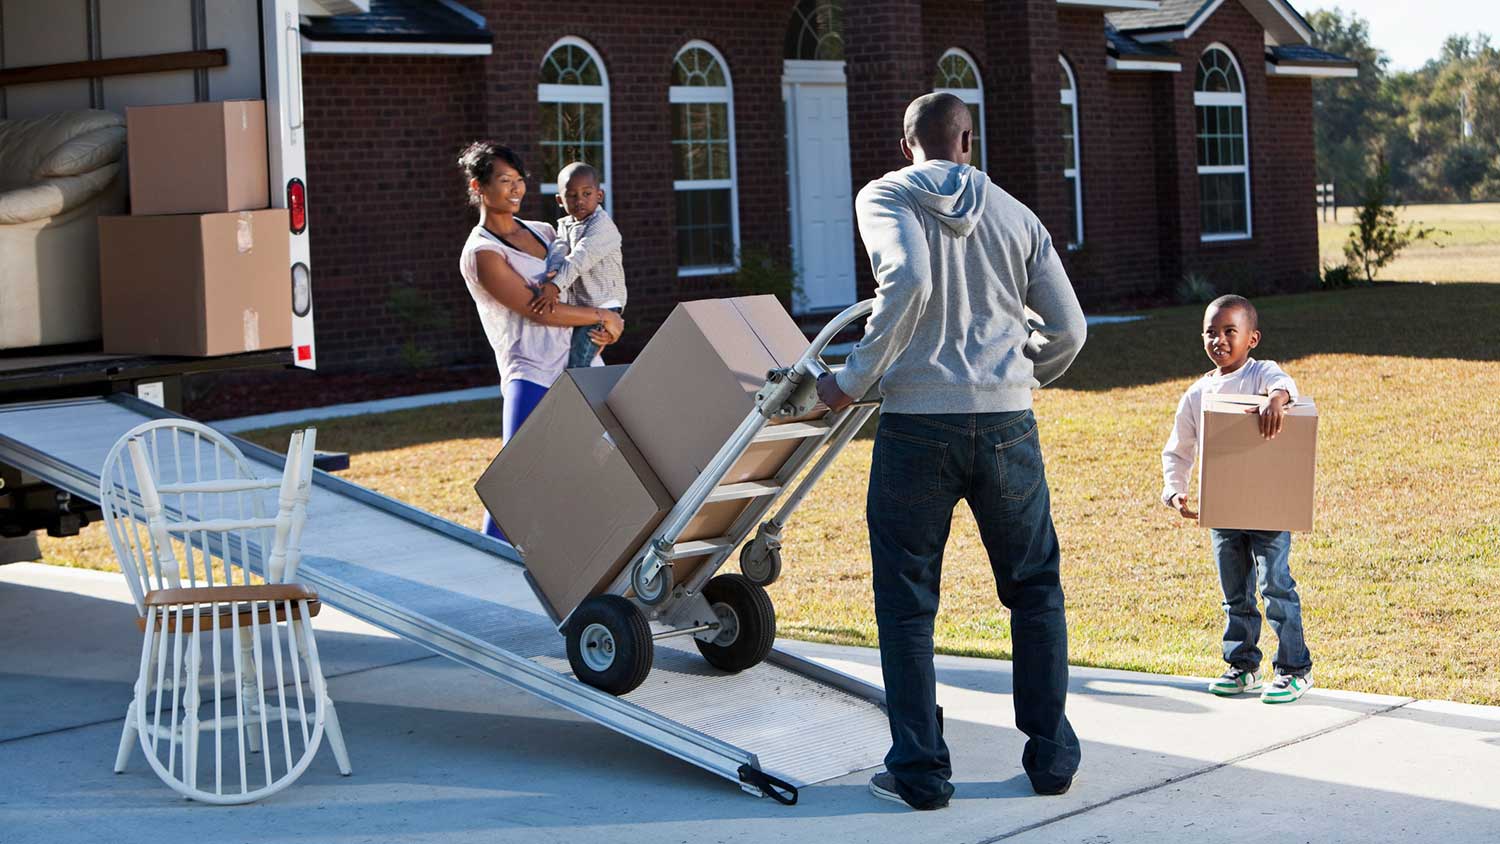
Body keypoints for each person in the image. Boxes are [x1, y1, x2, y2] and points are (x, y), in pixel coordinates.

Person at [816, 93, 1088, 810]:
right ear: (966, 138)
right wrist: (1021, 373)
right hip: (1008, 427)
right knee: (1033, 591)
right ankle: (1052, 759)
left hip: (917, 429)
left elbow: (906, 281)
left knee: (907, 605)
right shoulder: (1018, 216)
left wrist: (850, 381)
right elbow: (1070, 331)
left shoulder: (885, 196)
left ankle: (920, 773)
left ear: (908, 145)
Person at [457, 141, 625, 540]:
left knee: (603, 467)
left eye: (519, 182)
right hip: (530, 372)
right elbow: (538, 309)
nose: (515, 190)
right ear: (479, 187)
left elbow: (583, 283)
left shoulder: (547, 230)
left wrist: (611, 322)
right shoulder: (482, 253)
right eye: (504, 182)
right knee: (514, 480)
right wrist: (603, 316)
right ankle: (491, 565)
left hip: (579, 362)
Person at [1160, 294, 1314, 704]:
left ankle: (1295, 669)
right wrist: (1175, 491)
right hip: (1224, 511)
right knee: (1236, 594)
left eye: (1231, 331)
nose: (1220, 340)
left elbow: (1285, 385)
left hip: (1267, 507)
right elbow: (1179, 448)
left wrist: (1275, 400)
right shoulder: (1197, 394)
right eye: (1212, 332)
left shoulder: (1261, 376)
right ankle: (1242, 665)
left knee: (1275, 587)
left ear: (1252, 338)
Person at [529, 162, 627, 369]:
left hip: (603, 304)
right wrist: (552, 273)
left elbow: (580, 258)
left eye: (587, 193)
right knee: (569, 352)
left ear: (599, 196)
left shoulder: (602, 227)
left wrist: (555, 285)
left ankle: (575, 396)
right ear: (560, 200)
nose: (579, 200)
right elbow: (559, 248)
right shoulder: (566, 224)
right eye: (572, 195)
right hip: (584, 305)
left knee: (578, 361)